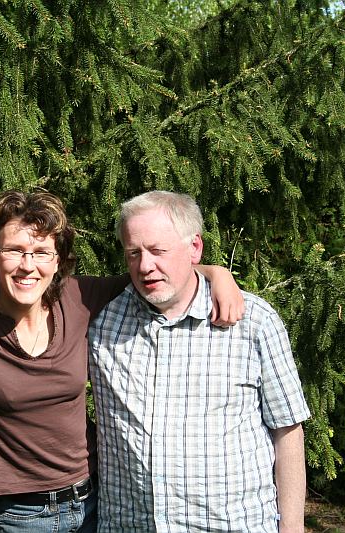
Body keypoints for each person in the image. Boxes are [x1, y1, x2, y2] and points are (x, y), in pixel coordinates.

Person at [0, 190, 245, 533]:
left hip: (96, 504)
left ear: (57, 259)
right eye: (14, 250)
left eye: (41, 252)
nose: (28, 265)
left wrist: (214, 273)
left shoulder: (79, 299)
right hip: (20, 515)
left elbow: (159, 273)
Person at [88, 190, 311, 533]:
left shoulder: (253, 322)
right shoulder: (102, 321)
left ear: (195, 248)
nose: (145, 265)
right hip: (129, 525)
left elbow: (288, 430)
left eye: (159, 251)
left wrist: (293, 529)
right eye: (134, 253)